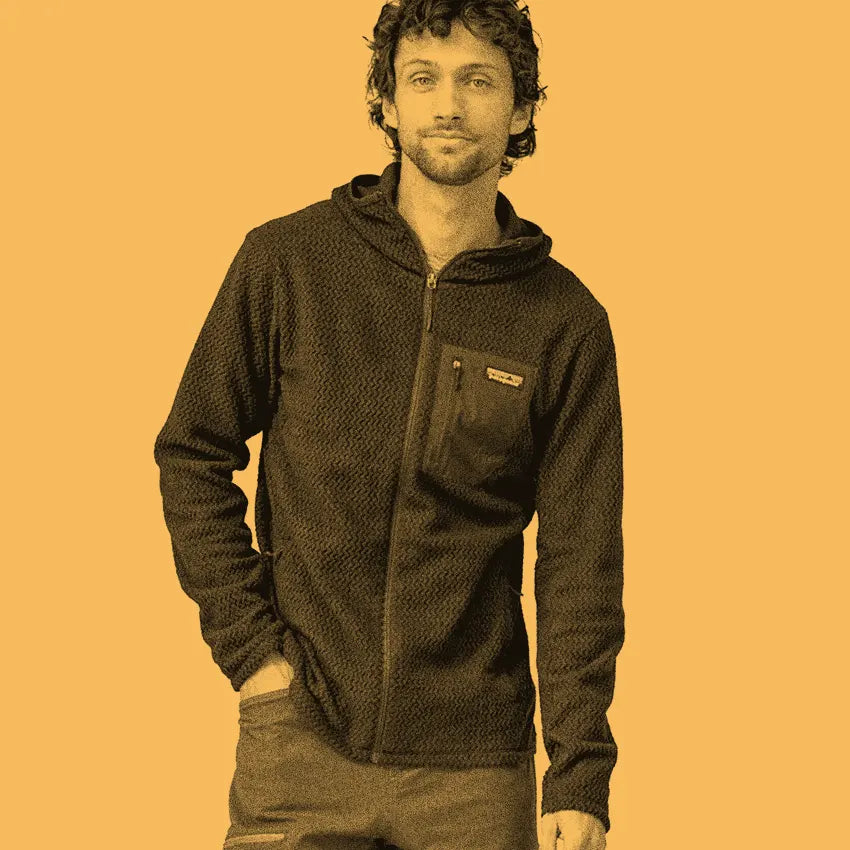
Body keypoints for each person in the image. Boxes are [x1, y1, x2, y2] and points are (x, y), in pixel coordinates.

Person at [153, 1, 625, 848]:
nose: (449, 104)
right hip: (299, 745)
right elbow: (192, 452)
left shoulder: (566, 323)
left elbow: (581, 560)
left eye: (478, 81)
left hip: (476, 774)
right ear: (386, 101)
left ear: (521, 110)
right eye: (423, 78)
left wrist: (579, 772)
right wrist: (254, 656)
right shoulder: (289, 262)